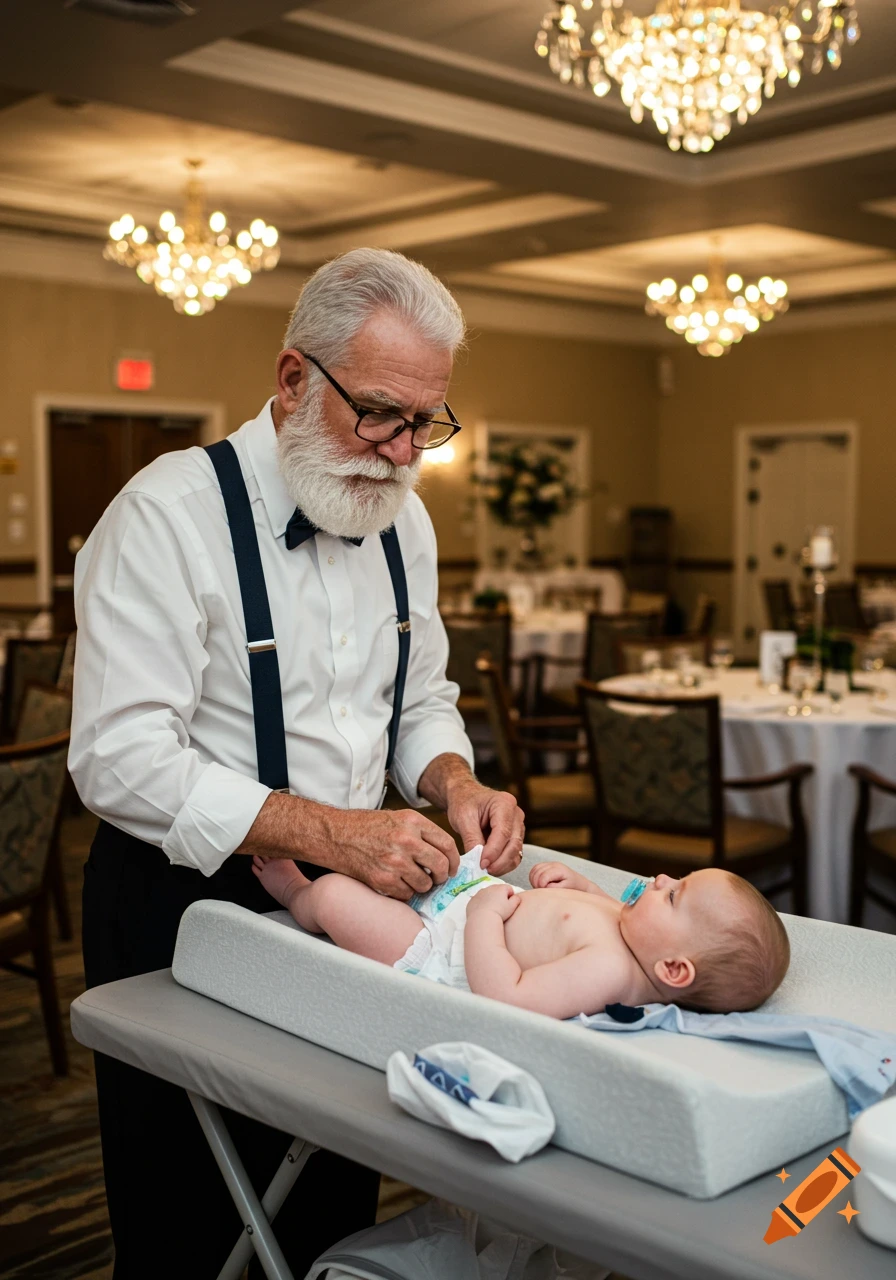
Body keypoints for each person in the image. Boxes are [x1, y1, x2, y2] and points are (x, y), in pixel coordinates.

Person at [70, 247, 524, 1280]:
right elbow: (118, 757)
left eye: (426, 422)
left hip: (349, 911)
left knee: (329, 1193)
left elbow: (418, 696)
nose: (404, 449)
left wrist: (452, 779)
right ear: (291, 379)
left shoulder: (404, 518)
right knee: (190, 1213)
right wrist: (333, 832)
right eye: (379, 414)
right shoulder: (165, 513)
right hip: (180, 902)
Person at [252, 856, 791, 1017]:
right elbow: (600, 912)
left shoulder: (610, 972)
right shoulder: (637, 935)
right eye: (680, 877)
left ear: (673, 970)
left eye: (675, 895)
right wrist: (579, 886)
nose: (662, 879)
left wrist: (485, 916)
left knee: (337, 897)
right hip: (467, 900)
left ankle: (297, 895)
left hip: (440, 945)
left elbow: (505, 996)